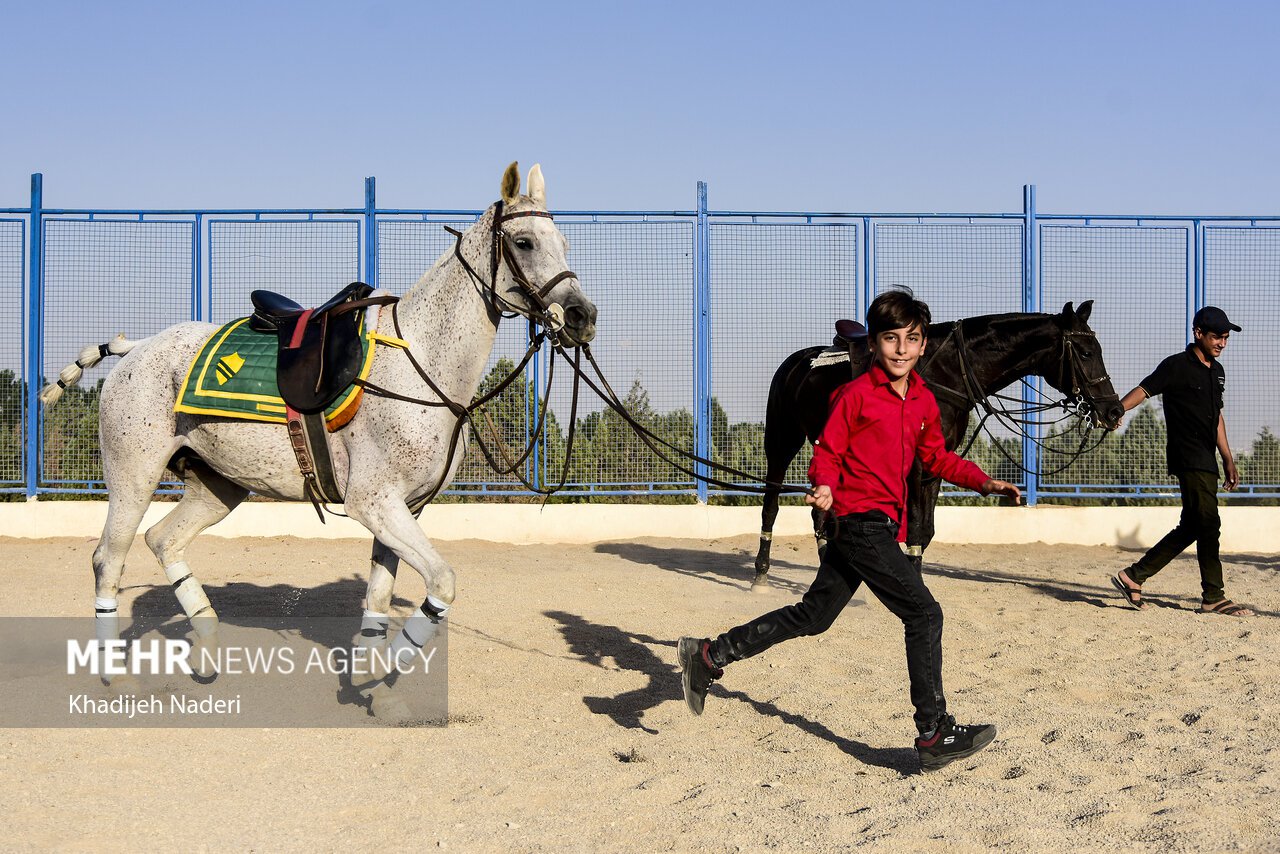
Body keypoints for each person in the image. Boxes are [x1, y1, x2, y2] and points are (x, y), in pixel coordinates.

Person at [678, 289, 1022, 772]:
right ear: (875, 345)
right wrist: (822, 485)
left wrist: (983, 482)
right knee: (924, 614)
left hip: (874, 523)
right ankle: (933, 733)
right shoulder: (854, 394)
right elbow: (827, 451)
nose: (901, 349)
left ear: (924, 344)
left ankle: (711, 654)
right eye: (890, 339)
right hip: (857, 522)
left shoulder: (922, 400)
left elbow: (936, 458)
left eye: (912, 339)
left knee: (814, 615)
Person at [1109, 306, 1254, 617]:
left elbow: (1216, 418)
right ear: (1198, 333)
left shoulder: (1218, 372)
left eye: (1226, 338)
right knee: (1209, 523)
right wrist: (1117, 409)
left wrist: (1228, 457)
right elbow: (1144, 390)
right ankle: (1213, 596)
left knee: (1192, 525)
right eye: (1217, 337)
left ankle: (1133, 576)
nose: (1222, 344)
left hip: (1208, 458)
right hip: (1187, 456)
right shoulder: (1175, 366)